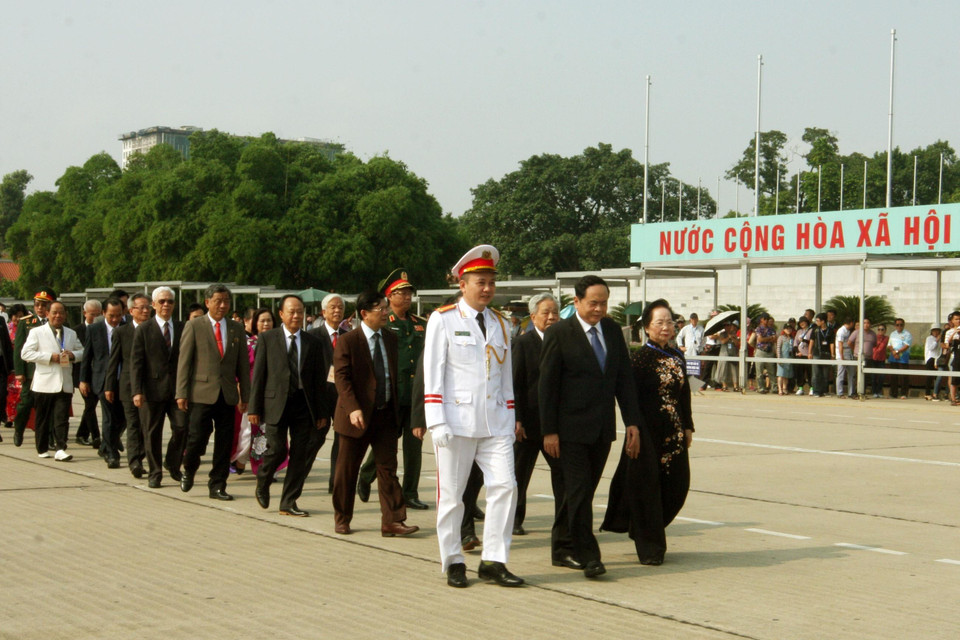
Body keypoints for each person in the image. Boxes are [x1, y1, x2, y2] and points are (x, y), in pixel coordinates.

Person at [424, 245, 522, 588]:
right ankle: (453, 560)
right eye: (480, 282)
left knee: (506, 487)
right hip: (457, 422)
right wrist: (436, 420)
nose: (487, 288)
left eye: (491, 282)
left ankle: (493, 560)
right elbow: (433, 374)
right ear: (462, 284)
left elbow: (506, 377)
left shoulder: (500, 322)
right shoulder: (444, 319)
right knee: (452, 497)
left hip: (495, 423)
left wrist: (509, 419)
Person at [539, 274, 641, 580]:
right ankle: (589, 556)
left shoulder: (612, 331)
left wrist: (632, 421)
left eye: (604, 303)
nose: (599, 309)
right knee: (580, 492)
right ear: (577, 301)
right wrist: (549, 430)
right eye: (593, 303)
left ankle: (561, 547)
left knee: (579, 492)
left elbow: (623, 380)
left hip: (601, 429)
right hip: (568, 430)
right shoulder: (559, 333)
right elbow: (547, 386)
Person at [602, 299, 692, 565]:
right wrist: (633, 428)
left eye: (669, 322)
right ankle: (650, 546)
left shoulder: (677, 356)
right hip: (646, 434)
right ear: (647, 327)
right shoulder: (640, 359)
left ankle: (642, 527)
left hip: (674, 433)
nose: (666, 327)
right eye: (659, 322)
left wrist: (688, 426)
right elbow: (629, 397)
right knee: (647, 490)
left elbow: (684, 394)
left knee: (677, 486)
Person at [331, 290, 418, 538]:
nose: (385, 312)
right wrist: (353, 408)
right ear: (364, 313)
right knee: (347, 471)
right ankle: (342, 518)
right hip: (356, 417)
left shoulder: (390, 338)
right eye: (380, 308)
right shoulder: (349, 341)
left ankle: (393, 521)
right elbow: (342, 378)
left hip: (385, 415)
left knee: (388, 470)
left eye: (385, 307)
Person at [249, 295, 329, 517]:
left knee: (299, 454)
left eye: (300, 312)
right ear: (281, 314)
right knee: (277, 449)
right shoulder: (268, 339)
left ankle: (288, 502)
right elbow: (259, 375)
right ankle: (263, 479)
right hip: (276, 404)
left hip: (303, 404)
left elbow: (318, 380)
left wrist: (321, 412)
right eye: (291, 312)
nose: (296, 316)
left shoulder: (313, 342)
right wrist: (254, 408)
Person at [512, 292, 577, 561]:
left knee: (563, 476)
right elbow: (515, 383)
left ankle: (565, 526)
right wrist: (516, 418)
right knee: (518, 475)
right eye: (545, 312)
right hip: (527, 424)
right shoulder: (522, 343)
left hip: (555, 426)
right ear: (533, 316)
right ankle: (514, 519)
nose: (551, 317)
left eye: (555, 312)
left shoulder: (564, 342)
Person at [357, 269, 429, 511]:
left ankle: (410, 493)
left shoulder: (420, 324)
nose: (407, 297)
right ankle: (366, 475)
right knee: (386, 442)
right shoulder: (383, 323)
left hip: (415, 395)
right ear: (389, 296)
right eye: (401, 293)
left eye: (409, 293)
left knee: (414, 446)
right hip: (392, 395)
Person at [176, 284, 251, 501]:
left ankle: (217, 484)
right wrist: (181, 392)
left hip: (227, 394)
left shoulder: (236, 328)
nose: (222, 305)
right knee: (197, 438)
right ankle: (189, 468)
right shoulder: (194, 326)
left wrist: (245, 396)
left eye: (226, 301)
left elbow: (243, 365)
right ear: (207, 302)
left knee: (224, 442)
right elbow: (184, 362)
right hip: (201, 393)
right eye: (218, 301)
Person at [130, 286, 187, 488]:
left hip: (177, 390)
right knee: (152, 433)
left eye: (170, 301)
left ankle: (172, 462)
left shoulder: (183, 327)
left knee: (182, 427)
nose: (166, 305)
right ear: (153, 305)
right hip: (151, 391)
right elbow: (136, 362)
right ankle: (155, 472)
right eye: (162, 301)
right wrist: (137, 391)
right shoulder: (144, 329)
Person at [20, 301, 83, 461]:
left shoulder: (71, 333)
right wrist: (49, 357)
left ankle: (61, 448)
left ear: (65, 315)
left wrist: (73, 355)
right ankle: (42, 448)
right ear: (47, 314)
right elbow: (25, 353)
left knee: (62, 418)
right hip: (44, 383)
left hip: (64, 383)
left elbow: (82, 351)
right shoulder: (36, 332)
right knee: (43, 418)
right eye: (54, 312)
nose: (58, 316)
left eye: (61, 312)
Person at [105, 293, 152, 478]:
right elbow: (114, 360)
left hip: (151, 386)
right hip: (128, 386)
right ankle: (135, 462)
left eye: (148, 307)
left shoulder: (155, 330)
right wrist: (109, 386)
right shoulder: (121, 332)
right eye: (141, 308)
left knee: (146, 426)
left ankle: (141, 455)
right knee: (133, 424)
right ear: (131, 311)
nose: (146, 311)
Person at [308, 293, 348, 494]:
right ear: (323, 312)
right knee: (314, 440)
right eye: (333, 307)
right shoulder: (313, 336)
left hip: (342, 396)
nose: (337, 310)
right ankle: (297, 477)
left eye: (340, 307)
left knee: (342, 441)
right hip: (321, 397)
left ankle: (336, 483)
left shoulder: (348, 335)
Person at [80, 298, 126, 467]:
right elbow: (87, 356)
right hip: (102, 380)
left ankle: (106, 444)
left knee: (123, 418)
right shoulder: (94, 329)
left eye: (118, 315)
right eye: (111, 315)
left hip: (123, 380)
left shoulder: (127, 328)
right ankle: (112, 454)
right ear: (104, 313)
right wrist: (83, 380)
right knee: (109, 418)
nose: (115, 319)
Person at [11, 290, 53, 448]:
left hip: (49, 371)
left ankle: (48, 437)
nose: (40, 308)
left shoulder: (55, 321)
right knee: (26, 403)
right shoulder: (26, 322)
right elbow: (19, 348)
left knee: (47, 406)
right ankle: (19, 429)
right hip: (31, 371)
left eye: (43, 305)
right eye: (37, 305)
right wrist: (19, 371)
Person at [238, 307, 277, 475]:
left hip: (274, 395)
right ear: (255, 323)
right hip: (253, 394)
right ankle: (247, 462)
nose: (266, 324)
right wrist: (242, 394)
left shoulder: (279, 343)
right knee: (252, 432)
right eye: (262, 321)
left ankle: (268, 466)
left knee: (271, 432)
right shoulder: (249, 344)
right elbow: (241, 371)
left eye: (269, 320)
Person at [73, 300, 102, 448]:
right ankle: (96, 436)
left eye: (98, 314)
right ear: (85, 313)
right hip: (82, 374)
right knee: (90, 404)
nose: (95, 317)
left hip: (98, 374)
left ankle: (81, 434)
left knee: (91, 404)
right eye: (92, 314)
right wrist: (81, 379)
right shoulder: (76, 331)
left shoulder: (103, 328)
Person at [809, 312, 835, 397]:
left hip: (826, 354)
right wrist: (809, 352)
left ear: (823, 321)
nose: (816, 322)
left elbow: (832, 343)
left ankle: (825, 391)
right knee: (816, 374)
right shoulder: (815, 330)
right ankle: (816, 391)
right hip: (817, 353)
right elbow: (811, 341)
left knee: (825, 374)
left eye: (818, 320)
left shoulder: (830, 330)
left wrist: (832, 354)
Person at [887, 318, 912, 399]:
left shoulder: (907, 334)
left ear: (903, 325)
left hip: (903, 356)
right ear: (895, 325)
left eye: (901, 325)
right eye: (897, 325)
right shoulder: (892, 334)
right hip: (893, 356)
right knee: (893, 375)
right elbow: (889, 345)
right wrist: (894, 352)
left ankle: (904, 393)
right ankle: (893, 393)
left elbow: (906, 345)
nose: (899, 326)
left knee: (904, 376)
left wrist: (897, 352)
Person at [753, 313, 776, 393]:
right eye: (765, 319)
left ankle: (774, 388)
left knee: (771, 371)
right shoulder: (758, 329)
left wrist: (766, 339)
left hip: (769, 351)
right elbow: (760, 339)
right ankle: (761, 388)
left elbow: (774, 339)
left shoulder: (771, 329)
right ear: (761, 320)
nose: (766, 320)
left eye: (767, 319)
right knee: (759, 372)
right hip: (760, 351)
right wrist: (770, 338)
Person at [793, 316, 813, 395]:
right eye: (800, 323)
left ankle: (811, 388)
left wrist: (804, 340)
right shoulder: (799, 331)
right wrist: (797, 352)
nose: (802, 324)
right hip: (800, 354)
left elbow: (812, 342)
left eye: (803, 322)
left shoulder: (811, 331)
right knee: (800, 372)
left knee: (809, 372)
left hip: (808, 354)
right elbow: (795, 343)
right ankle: (800, 387)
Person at [923, 325, 943, 401]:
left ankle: (936, 393)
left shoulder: (940, 339)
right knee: (929, 377)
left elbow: (939, 350)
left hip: (937, 359)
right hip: (930, 358)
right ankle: (927, 393)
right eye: (934, 330)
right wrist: (936, 341)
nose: (936, 332)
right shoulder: (929, 338)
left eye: (937, 330)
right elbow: (931, 348)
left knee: (937, 377)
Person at [870, 323, 889, 398]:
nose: (880, 331)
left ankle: (879, 391)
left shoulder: (886, 338)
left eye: (882, 329)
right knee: (873, 376)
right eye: (879, 329)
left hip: (881, 359)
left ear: (885, 330)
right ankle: (874, 392)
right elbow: (872, 346)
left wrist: (876, 347)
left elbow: (882, 347)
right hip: (873, 359)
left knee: (881, 376)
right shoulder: (874, 337)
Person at [776, 324, 795, 395]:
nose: (788, 330)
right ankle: (780, 389)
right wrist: (779, 358)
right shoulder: (781, 337)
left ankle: (785, 388)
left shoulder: (792, 338)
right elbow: (778, 348)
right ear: (784, 330)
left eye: (790, 328)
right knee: (780, 374)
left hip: (789, 358)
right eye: (787, 328)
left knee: (786, 375)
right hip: (782, 357)